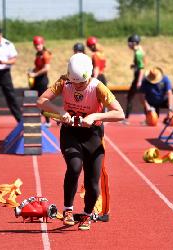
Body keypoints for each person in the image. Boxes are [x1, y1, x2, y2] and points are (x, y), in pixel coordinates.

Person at [36, 53, 124, 230]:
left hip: (93, 135)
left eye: (81, 83)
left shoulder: (98, 87)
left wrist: (95, 116)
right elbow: (42, 101)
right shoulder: (63, 82)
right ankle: (68, 209)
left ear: (89, 76)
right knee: (74, 167)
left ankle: (87, 214)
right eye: (74, 82)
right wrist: (60, 112)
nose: (77, 87)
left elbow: (119, 113)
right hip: (71, 133)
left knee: (92, 181)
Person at [28, 36, 52, 127]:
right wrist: (32, 71)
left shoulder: (46, 54)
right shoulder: (38, 54)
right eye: (36, 45)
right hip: (36, 80)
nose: (37, 46)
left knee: (43, 101)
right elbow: (37, 67)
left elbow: (46, 68)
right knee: (32, 99)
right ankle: (34, 118)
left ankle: (48, 121)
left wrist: (35, 74)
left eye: (39, 44)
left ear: (42, 44)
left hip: (42, 80)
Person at [123, 34, 145, 125]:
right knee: (142, 98)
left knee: (130, 97)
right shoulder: (139, 50)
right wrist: (134, 65)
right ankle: (149, 117)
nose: (128, 45)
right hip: (138, 77)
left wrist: (139, 81)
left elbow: (142, 68)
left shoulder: (138, 53)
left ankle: (126, 119)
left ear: (134, 43)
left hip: (138, 77)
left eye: (129, 43)